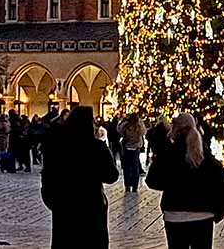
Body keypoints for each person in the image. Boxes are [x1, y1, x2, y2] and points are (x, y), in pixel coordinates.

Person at [147, 113, 224, 249]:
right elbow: (222, 183)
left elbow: (153, 181)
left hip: (175, 215)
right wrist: (221, 210)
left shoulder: (168, 154)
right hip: (202, 216)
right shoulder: (205, 156)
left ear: (175, 130)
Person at [41, 106, 118, 249]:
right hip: (91, 205)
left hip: (65, 206)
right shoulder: (97, 147)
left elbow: (47, 176)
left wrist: (53, 202)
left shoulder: (57, 146)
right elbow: (111, 176)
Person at [118, 112, 146, 192]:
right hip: (136, 147)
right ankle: (135, 186)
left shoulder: (127, 125)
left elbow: (119, 129)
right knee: (135, 167)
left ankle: (127, 185)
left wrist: (124, 121)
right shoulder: (139, 126)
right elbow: (144, 132)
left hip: (127, 146)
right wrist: (140, 121)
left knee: (127, 167)